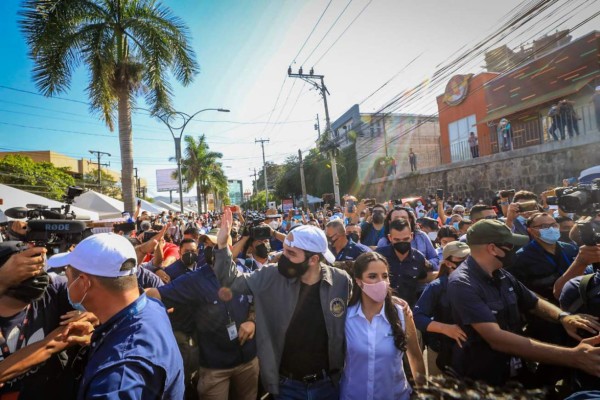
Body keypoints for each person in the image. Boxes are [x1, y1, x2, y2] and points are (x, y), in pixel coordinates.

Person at [213, 209, 351, 398]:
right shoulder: (271, 275)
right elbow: (232, 282)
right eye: (284, 250)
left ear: (313, 260)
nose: (283, 257)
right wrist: (222, 245)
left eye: (291, 253)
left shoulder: (341, 282)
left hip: (328, 384)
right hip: (287, 386)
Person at [448, 220, 600, 387]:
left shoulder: (501, 273)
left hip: (516, 370)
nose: (515, 250)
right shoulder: (463, 284)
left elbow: (533, 301)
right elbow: (496, 338)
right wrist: (573, 357)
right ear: (492, 248)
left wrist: (563, 317)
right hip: (484, 378)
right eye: (510, 245)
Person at [48, 233, 184, 399]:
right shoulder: (151, 307)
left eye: (67, 277)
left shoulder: (117, 377)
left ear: (84, 282)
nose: (66, 284)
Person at [340, 252, 425, 399]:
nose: (381, 282)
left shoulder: (401, 314)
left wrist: (423, 393)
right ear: (359, 281)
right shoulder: (346, 316)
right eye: (372, 276)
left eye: (384, 276)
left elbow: (416, 358)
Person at [414, 241, 470, 376]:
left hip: (471, 353)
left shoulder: (477, 282)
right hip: (442, 351)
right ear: (448, 262)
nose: (466, 262)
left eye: (469, 258)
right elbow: (418, 317)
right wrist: (446, 329)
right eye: (461, 259)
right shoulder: (436, 287)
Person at [376, 218, 432, 308]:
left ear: (411, 236)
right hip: (382, 308)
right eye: (397, 240)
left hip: (407, 310)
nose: (402, 242)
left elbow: (423, 277)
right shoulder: (379, 256)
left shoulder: (419, 258)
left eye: (405, 239)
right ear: (390, 238)